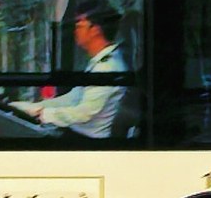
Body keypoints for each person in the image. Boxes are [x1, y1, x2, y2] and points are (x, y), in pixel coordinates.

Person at [21, 9, 134, 139]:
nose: (75, 31)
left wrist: (42, 114)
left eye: (79, 26)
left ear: (95, 30)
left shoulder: (107, 67)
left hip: (88, 142)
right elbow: (75, 97)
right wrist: (36, 107)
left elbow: (84, 113)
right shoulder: (99, 62)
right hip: (76, 134)